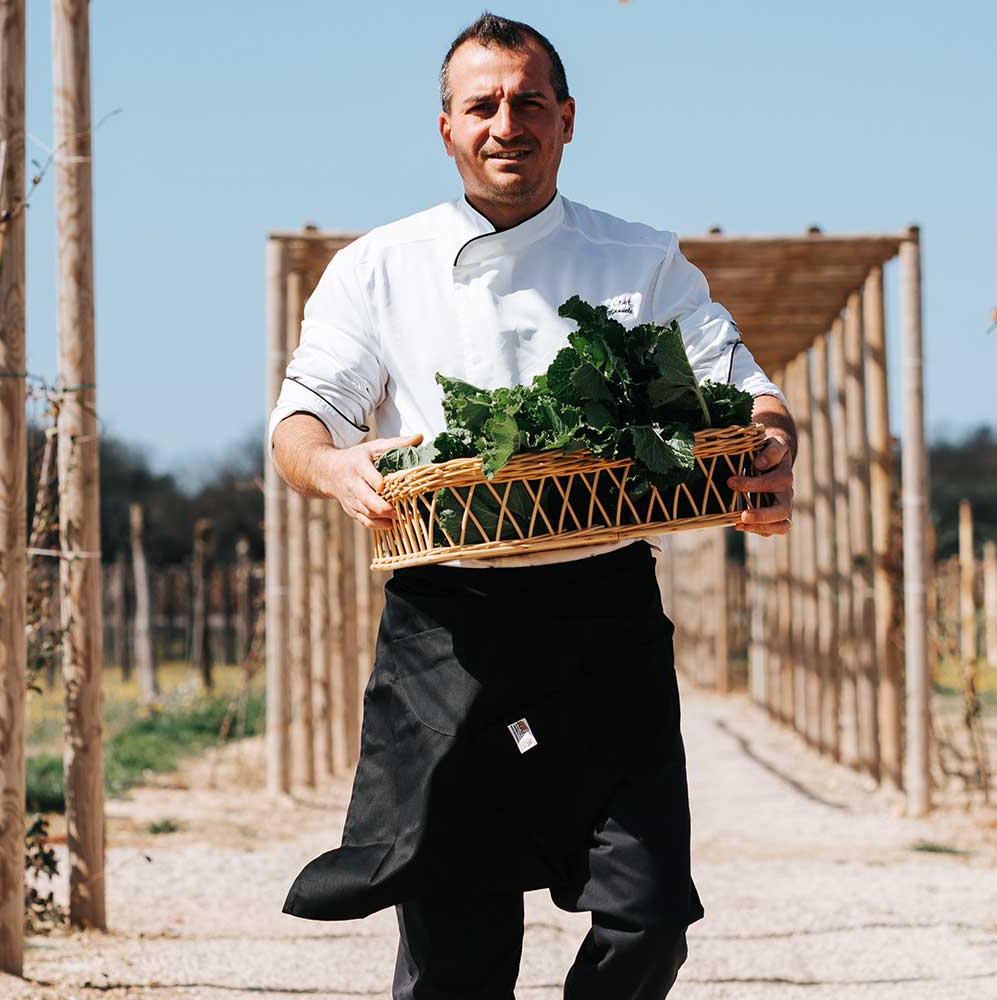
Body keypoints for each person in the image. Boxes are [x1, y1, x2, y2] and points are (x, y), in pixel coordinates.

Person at [268, 13, 795, 999]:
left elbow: (749, 391)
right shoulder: (381, 264)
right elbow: (301, 421)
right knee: (456, 955)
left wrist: (772, 451)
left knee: (647, 918)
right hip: (447, 625)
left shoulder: (640, 260)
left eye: (528, 102)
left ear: (566, 119)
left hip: (603, 616)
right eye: (483, 105)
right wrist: (338, 471)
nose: (507, 123)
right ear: (446, 128)